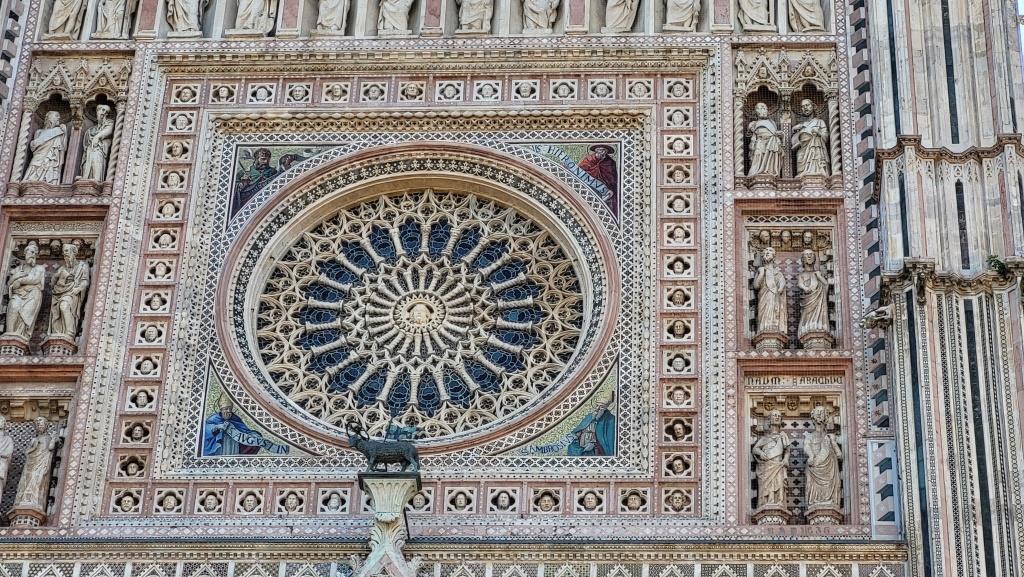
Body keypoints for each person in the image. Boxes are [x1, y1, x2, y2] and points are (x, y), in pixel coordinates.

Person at [202, 396, 289, 456]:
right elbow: (204, 431)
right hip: (219, 448)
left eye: (230, 409)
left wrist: (254, 435)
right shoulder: (214, 419)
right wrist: (217, 427)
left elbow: (244, 431)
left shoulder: (236, 419)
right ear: (221, 409)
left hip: (235, 447)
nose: (228, 411)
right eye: (225, 409)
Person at [3, 242, 45, 341]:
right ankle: (10, 336)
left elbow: (36, 279)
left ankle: (22, 337)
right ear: (25, 253)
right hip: (17, 294)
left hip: (32, 294)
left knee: (25, 314)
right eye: (31, 252)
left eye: (35, 253)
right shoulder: (17, 270)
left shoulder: (40, 268)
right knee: (13, 307)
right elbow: (9, 284)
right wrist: (15, 277)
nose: (33, 254)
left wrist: (19, 280)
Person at [24, 111, 67, 183]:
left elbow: (62, 148)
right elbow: (34, 146)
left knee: (49, 166)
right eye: (56, 116)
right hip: (39, 156)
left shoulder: (58, 131)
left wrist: (64, 132)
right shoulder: (39, 132)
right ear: (50, 117)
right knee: (33, 166)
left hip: (50, 159)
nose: (58, 118)